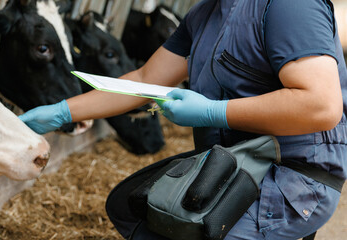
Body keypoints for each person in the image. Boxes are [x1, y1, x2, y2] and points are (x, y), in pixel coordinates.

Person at [18, 0, 347, 239]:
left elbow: (320, 105)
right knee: (128, 207)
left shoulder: (287, 6)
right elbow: (147, 78)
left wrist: (212, 112)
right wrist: (62, 111)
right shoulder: (205, 13)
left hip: (289, 177)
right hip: (232, 164)